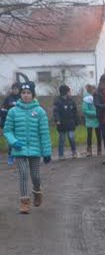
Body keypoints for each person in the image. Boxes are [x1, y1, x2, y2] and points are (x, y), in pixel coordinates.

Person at [3, 82, 52, 213]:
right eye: (23, 93)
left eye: (28, 93)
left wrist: (46, 152)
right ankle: (24, 202)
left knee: (35, 176)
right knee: (23, 174)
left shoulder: (39, 111)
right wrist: (13, 142)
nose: (25, 95)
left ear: (33, 95)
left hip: (35, 150)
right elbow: (7, 130)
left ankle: (37, 191)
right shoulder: (13, 111)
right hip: (19, 150)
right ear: (20, 95)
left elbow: (44, 133)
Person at [53, 85, 79, 160]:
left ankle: (74, 152)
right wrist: (57, 120)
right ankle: (61, 155)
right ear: (65, 92)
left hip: (70, 123)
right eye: (69, 91)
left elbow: (75, 112)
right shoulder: (58, 101)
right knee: (62, 139)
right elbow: (56, 112)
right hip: (61, 124)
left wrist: (76, 121)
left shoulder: (71, 101)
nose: (70, 93)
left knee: (71, 138)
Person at [83, 84, 102, 157]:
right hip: (90, 119)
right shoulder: (86, 99)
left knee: (98, 135)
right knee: (89, 135)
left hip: (97, 119)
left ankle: (99, 149)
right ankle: (89, 150)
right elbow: (85, 110)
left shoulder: (97, 97)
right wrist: (95, 113)